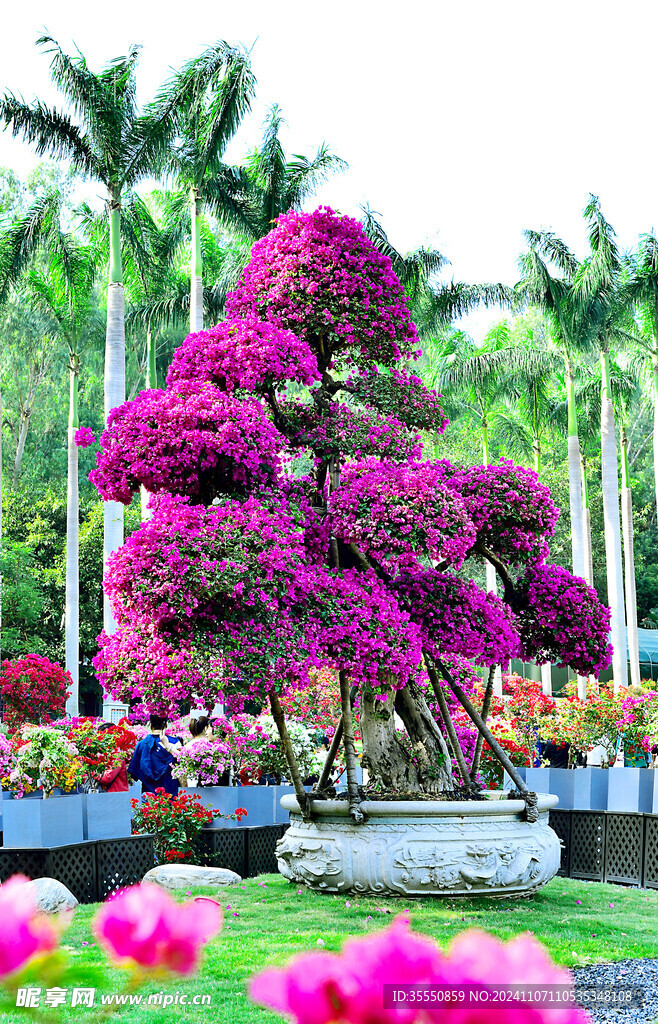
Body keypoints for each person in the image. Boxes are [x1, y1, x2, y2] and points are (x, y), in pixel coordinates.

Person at [128, 715, 183, 797]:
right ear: (166, 725)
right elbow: (181, 763)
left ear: (150, 725)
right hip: (171, 790)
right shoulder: (175, 743)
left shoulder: (142, 745)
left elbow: (134, 771)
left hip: (149, 791)